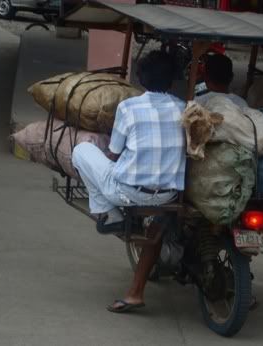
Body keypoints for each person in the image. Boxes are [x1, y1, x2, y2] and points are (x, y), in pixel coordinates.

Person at [72, 50, 186, 312]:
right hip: (169, 195)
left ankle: (107, 213)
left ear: (141, 79)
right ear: (171, 82)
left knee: (81, 151)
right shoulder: (183, 108)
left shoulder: (128, 107)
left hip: (129, 193)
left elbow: (114, 151)